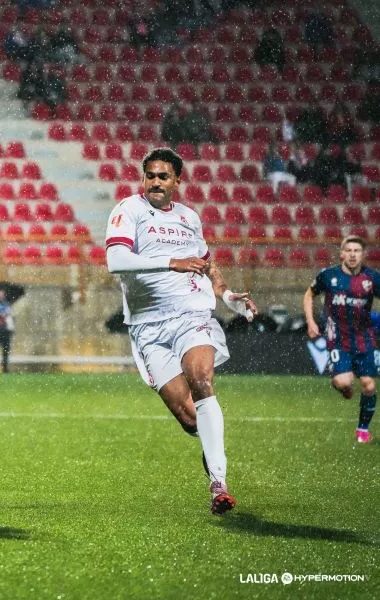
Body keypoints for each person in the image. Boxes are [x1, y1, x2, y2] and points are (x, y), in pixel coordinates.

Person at [105, 147, 258, 515]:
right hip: (148, 325)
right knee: (189, 416)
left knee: (201, 378)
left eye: (163, 176)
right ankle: (210, 440)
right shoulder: (129, 210)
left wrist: (227, 296)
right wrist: (171, 262)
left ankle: (218, 483)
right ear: (143, 178)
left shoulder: (189, 217)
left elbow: (207, 264)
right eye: (150, 176)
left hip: (191, 314)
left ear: (176, 181)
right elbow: (116, 260)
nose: (156, 182)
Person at [303, 236, 378, 444]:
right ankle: (344, 388)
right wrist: (310, 321)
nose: (353, 255)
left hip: (364, 338)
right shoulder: (328, 276)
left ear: (363, 255)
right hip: (337, 337)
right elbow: (309, 295)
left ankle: (362, 430)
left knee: (369, 385)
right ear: (342, 254)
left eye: (357, 251)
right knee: (342, 381)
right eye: (349, 250)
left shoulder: (372, 278)